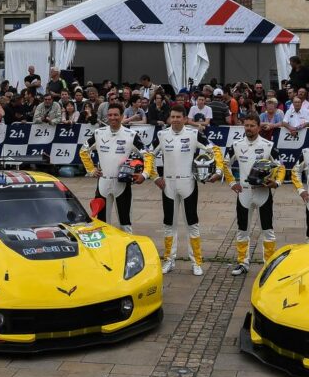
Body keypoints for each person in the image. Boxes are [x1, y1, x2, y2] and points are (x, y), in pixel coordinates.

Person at [145, 108, 223, 275]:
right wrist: (154, 176)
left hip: (188, 184)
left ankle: (196, 262)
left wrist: (218, 171)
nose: (175, 120)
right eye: (172, 117)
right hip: (168, 185)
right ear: (169, 118)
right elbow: (148, 154)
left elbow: (214, 150)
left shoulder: (194, 134)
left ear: (185, 118)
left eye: (178, 117)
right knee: (168, 224)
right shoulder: (162, 135)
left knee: (192, 224)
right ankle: (169, 260)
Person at [222, 113, 286, 276]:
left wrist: (276, 182)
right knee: (242, 229)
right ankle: (243, 262)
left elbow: (281, 167)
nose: (249, 128)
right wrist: (232, 183)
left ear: (258, 127)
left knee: (267, 230)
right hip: (244, 193)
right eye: (246, 125)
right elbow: (224, 164)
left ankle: (269, 264)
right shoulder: (236, 145)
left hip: (263, 193)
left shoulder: (268, 145)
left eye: (252, 125)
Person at [84, 102, 147, 234]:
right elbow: (83, 151)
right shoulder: (98, 133)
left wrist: (144, 174)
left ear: (122, 116)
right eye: (110, 115)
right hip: (103, 183)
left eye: (116, 115)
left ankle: (126, 253)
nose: (113, 118)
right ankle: (105, 254)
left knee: (125, 223)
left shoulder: (131, 135)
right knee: (101, 224)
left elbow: (148, 154)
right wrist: (91, 170)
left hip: (122, 184)